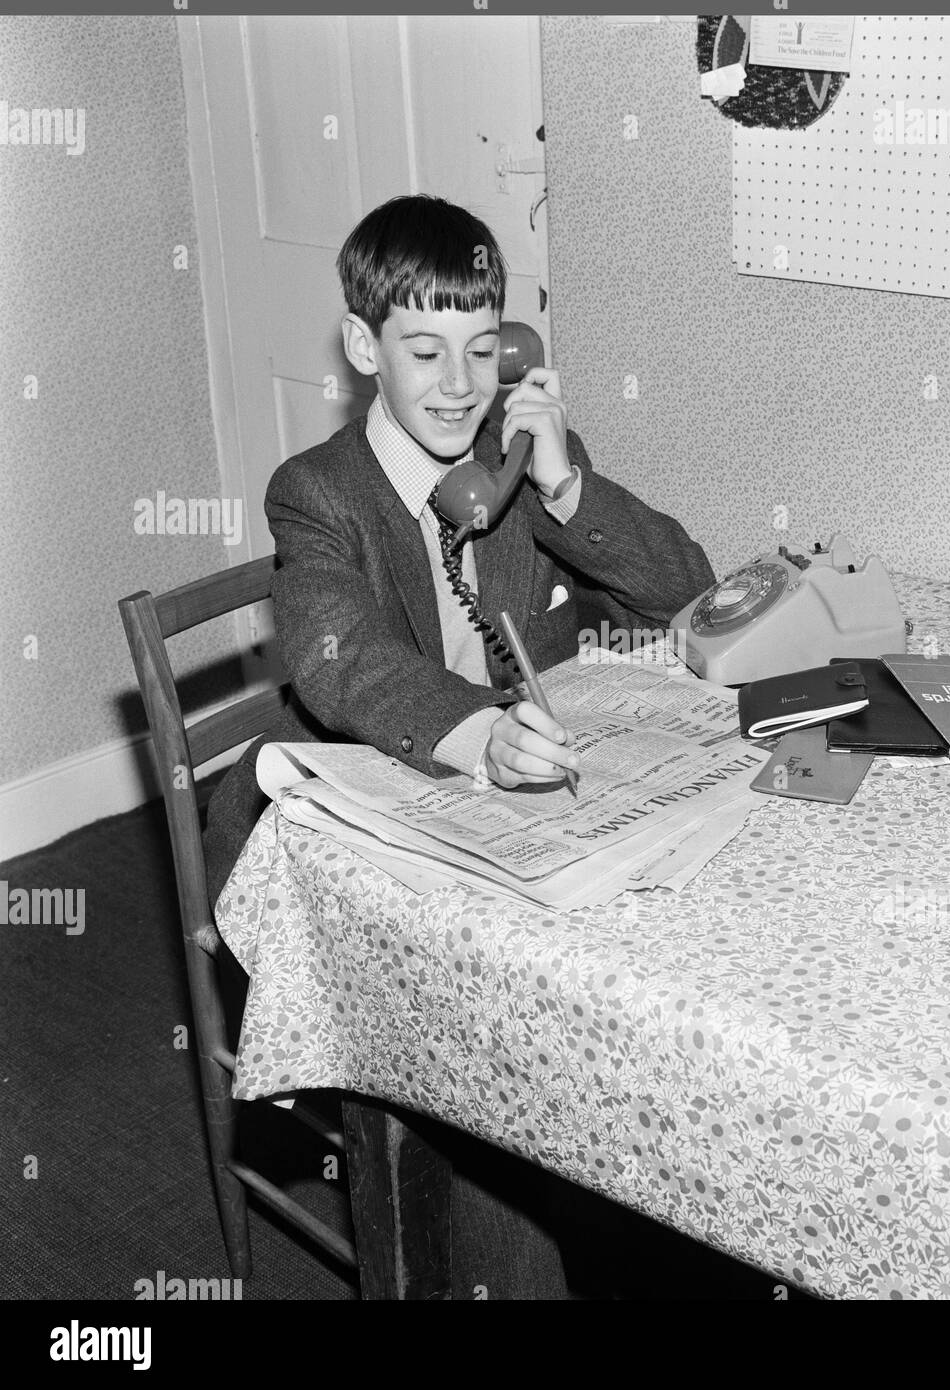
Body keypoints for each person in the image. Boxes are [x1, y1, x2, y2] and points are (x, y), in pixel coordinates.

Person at [201, 193, 715, 1297]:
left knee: (659, 1000)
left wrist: (563, 478)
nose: (456, 383)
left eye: (483, 350)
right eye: (422, 350)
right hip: (356, 802)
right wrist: (480, 735)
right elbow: (341, 661)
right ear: (361, 347)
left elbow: (690, 591)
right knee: (485, 1078)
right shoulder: (317, 493)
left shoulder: (512, 456)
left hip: (511, 818)